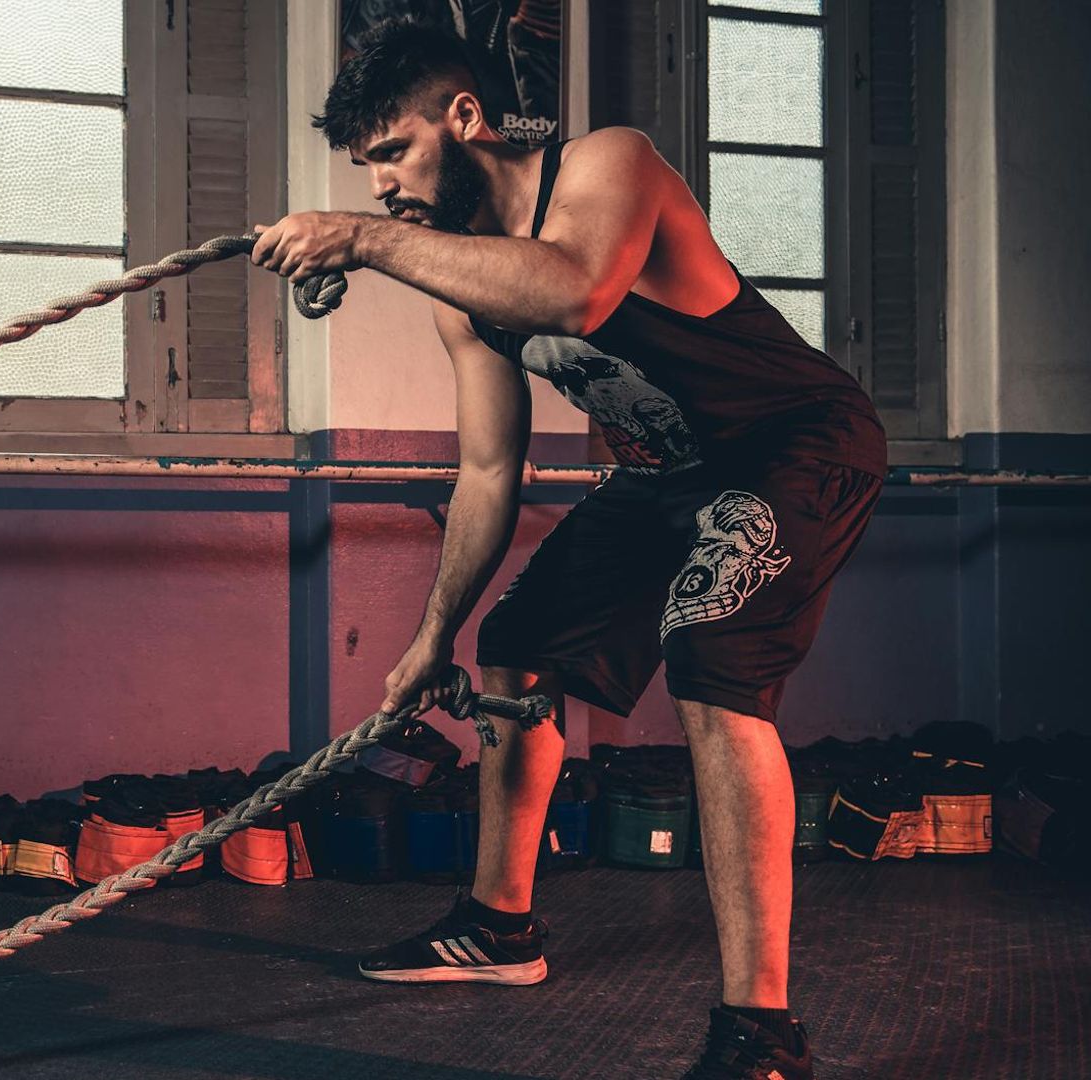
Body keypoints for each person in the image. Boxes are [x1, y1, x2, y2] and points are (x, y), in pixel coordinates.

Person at [250, 18, 887, 1080]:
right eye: (366, 170)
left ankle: (761, 1033)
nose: (383, 187)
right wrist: (433, 637)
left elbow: (577, 288)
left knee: (712, 661)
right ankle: (499, 926)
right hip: (664, 475)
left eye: (393, 152)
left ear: (464, 117)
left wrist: (359, 239)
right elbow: (488, 473)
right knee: (516, 648)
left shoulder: (607, 165)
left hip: (795, 443)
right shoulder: (465, 297)